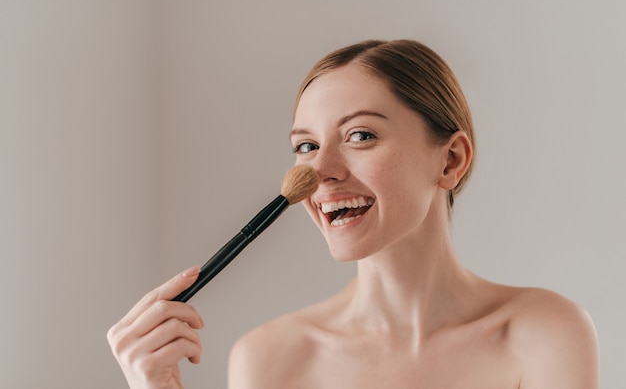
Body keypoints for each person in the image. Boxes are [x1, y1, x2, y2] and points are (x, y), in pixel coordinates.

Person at [108, 39, 599, 388]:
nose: (320, 172)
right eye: (306, 145)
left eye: (360, 135)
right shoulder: (270, 358)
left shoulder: (544, 333)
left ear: (450, 160)